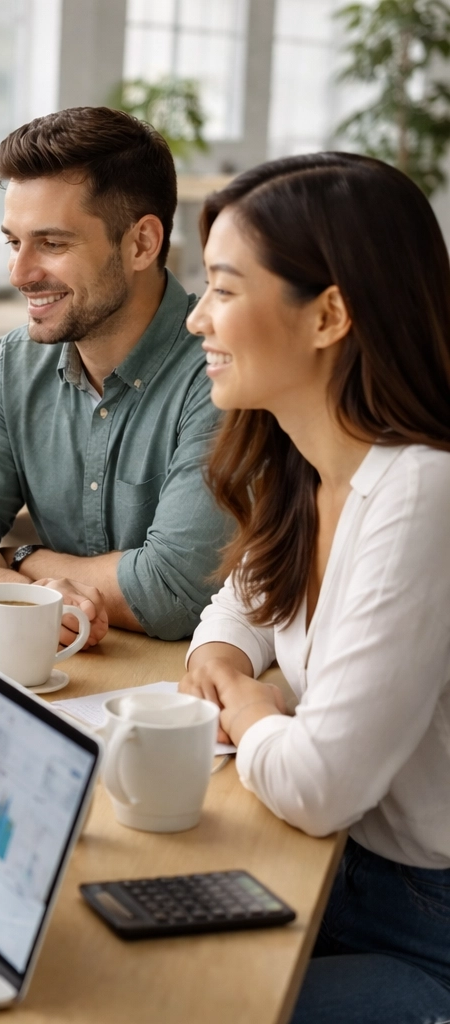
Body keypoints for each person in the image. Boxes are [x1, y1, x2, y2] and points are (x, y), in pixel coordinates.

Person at [177, 154, 450, 1023]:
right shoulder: (304, 460)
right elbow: (233, 615)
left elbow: (323, 781)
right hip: (331, 867)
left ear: (329, 313)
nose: (196, 320)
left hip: (422, 928)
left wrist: (253, 706)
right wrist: (228, 663)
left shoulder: (421, 492)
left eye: (223, 289)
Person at [0, 107, 229, 644]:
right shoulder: (16, 362)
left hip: (182, 692)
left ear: (142, 244)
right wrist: (15, 591)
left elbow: (174, 592)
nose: (19, 273)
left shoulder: (220, 370)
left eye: (52, 244)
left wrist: (24, 558)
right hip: (68, 671)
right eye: (14, 242)